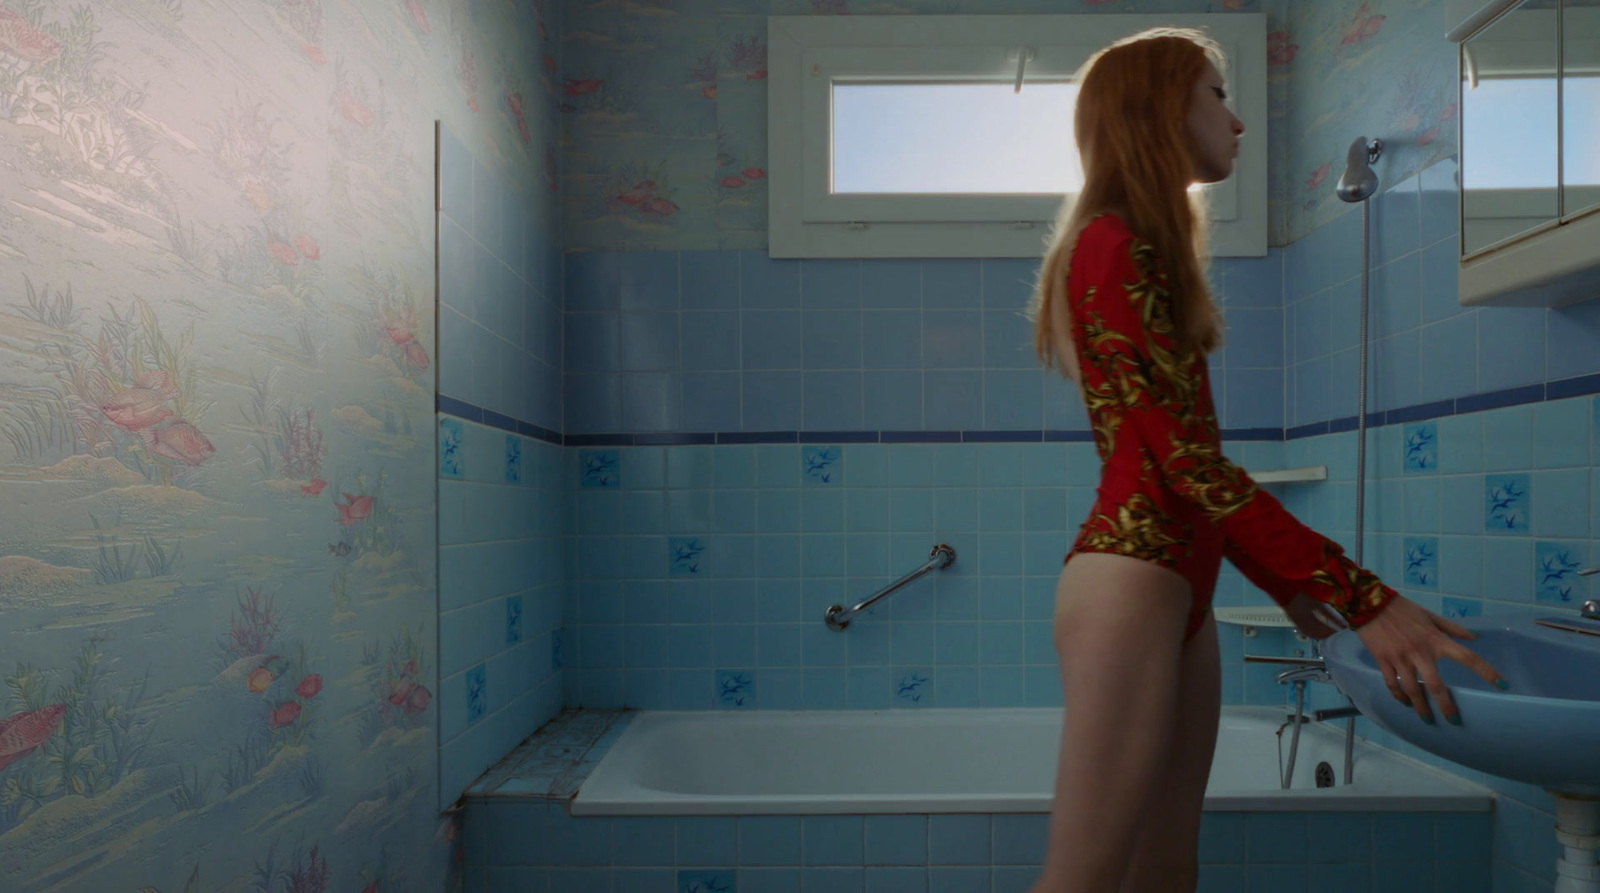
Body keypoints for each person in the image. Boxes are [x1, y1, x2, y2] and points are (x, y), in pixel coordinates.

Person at [1024, 27, 1508, 893]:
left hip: (1176, 584)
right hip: (1133, 576)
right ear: (1161, 106)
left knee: (1165, 873)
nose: (1238, 120)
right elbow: (1186, 466)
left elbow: (1190, 470)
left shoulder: (1139, 245)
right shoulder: (1111, 243)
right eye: (1217, 94)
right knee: (1084, 882)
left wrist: (1293, 585)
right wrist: (1359, 593)